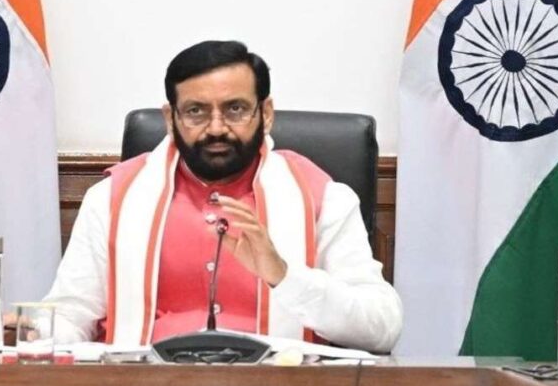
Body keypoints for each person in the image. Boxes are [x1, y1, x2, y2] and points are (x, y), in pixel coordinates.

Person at [41, 40, 402, 352]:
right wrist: (34, 332)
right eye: (196, 112)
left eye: (235, 109)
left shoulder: (323, 199)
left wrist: (284, 276)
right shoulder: (111, 199)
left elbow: (382, 326)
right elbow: (72, 314)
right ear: (170, 119)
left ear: (266, 114)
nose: (216, 128)